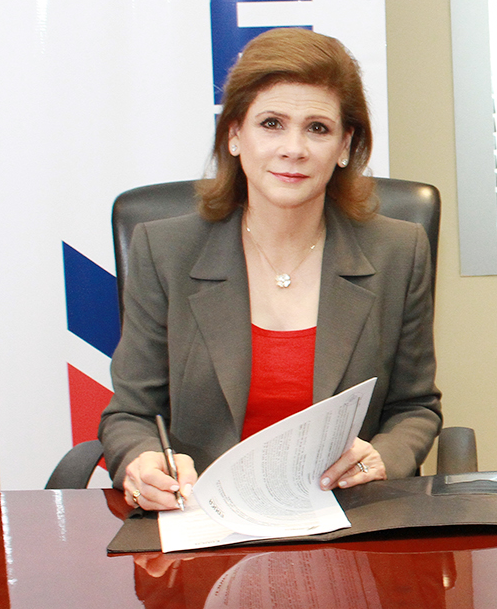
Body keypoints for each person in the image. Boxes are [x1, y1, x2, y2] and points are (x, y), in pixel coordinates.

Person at [100, 28, 441, 511]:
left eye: (317, 128)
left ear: (345, 146)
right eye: (272, 123)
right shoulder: (166, 250)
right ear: (235, 135)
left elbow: (415, 407)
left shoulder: (397, 252)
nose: (294, 148)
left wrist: (385, 456)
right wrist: (141, 461)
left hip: (344, 518)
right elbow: (130, 415)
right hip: (203, 521)